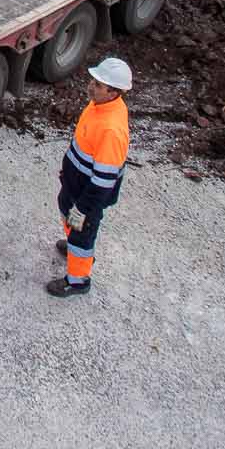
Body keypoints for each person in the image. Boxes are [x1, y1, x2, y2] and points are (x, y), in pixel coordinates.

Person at [48, 56, 132, 300]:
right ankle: (73, 244)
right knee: (66, 213)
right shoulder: (99, 105)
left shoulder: (112, 130)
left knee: (82, 235)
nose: (91, 86)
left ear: (114, 92)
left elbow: (104, 181)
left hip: (87, 196)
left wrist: (83, 209)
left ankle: (77, 281)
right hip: (75, 185)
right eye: (93, 81)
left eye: (98, 84)